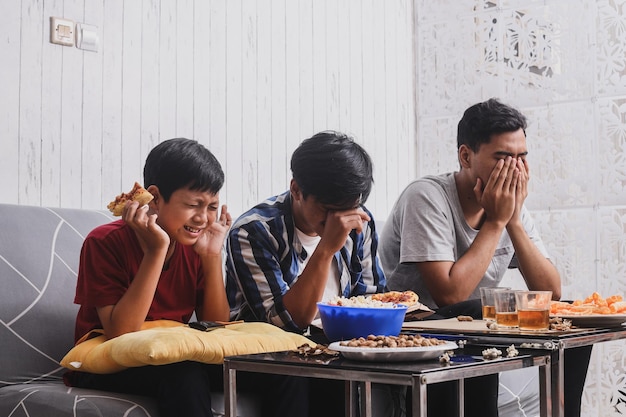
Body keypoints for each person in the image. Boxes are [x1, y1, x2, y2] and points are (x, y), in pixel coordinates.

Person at [65, 138, 307, 417]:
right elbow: (121, 333)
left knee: (286, 371)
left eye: (212, 206)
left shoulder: (194, 245)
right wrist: (158, 251)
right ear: (154, 198)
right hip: (105, 362)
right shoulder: (104, 242)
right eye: (194, 205)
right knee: (184, 372)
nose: (203, 218)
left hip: (171, 353)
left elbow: (216, 326)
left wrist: (211, 256)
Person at [380, 98, 591, 416]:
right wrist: (495, 222)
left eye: (522, 158)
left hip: (474, 321)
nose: (515, 170)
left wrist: (514, 221)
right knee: (482, 312)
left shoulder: (509, 205)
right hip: (416, 322)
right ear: (466, 156)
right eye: (503, 158)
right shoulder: (426, 196)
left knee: (570, 315)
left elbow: (551, 291)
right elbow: (449, 294)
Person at [226, 131, 390, 417]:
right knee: (313, 373)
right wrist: (326, 248)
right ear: (296, 190)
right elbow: (287, 322)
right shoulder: (254, 231)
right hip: (270, 353)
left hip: (340, 345)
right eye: (327, 210)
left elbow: (373, 300)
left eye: (348, 208)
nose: (338, 221)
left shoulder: (361, 220)